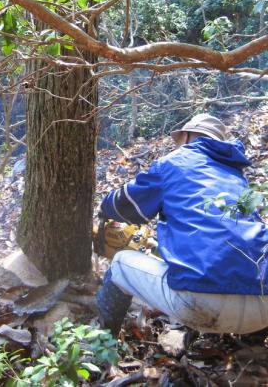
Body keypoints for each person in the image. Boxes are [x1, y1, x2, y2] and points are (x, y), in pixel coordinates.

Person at [97, 113, 268, 336]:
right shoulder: (236, 176)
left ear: (186, 136)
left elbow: (124, 204)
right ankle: (252, 344)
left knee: (120, 264)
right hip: (263, 306)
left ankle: (100, 342)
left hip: (201, 304)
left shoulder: (174, 162)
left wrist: (103, 208)